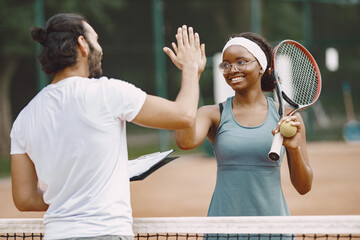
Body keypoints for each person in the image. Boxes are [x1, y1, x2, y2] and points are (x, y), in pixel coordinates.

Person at [10, 13, 206, 240]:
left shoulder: (25, 118)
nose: (100, 48)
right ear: (82, 44)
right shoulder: (108, 93)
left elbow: (24, 199)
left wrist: (70, 196)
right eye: (96, 39)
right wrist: (191, 68)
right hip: (107, 233)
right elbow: (184, 115)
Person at [174, 32, 313, 219]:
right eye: (226, 64)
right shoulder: (213, 114)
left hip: (273, 229)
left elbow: (304, 187)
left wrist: (294, 148)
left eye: (241, 62)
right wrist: (191, 74)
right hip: (224, 229)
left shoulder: (287, 117)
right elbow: (184, 141)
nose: (232, 69)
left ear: (262, 67)